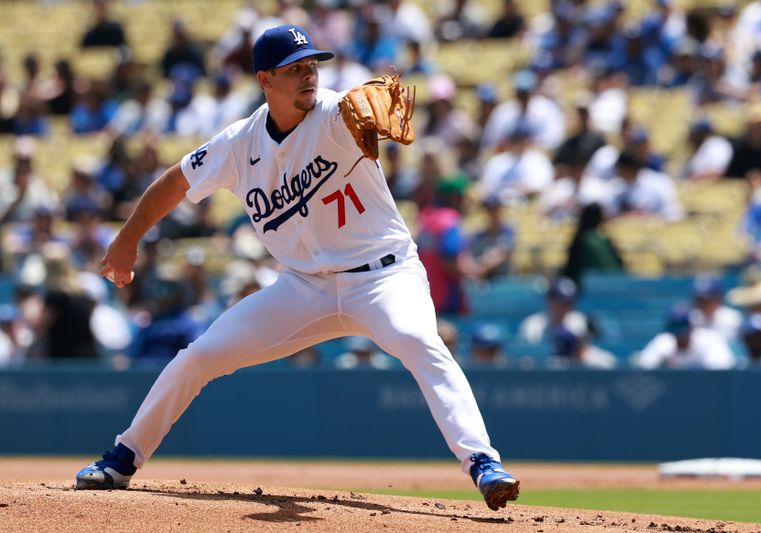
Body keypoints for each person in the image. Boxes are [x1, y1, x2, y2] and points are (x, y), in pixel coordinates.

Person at [74, 25, 519, 511]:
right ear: (265, 79)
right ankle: (123, 456)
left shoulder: (334, 113)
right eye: (296, 69)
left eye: (312, 66)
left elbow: (356, 106)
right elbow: (174, 183)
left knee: (419, 342)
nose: (309, 76)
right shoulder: (239, 143)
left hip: (383, 277)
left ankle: (482, 462)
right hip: (303, 289)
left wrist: (366, 120)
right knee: (198, 357)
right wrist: (125, 242)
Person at [636, 304, 736, 370]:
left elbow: (722, 372)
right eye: (675, 332)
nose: (679, 336)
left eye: (683, 331)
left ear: (692, 328)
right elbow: (643, 368)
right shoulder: (663, 342)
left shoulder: (710, 340)